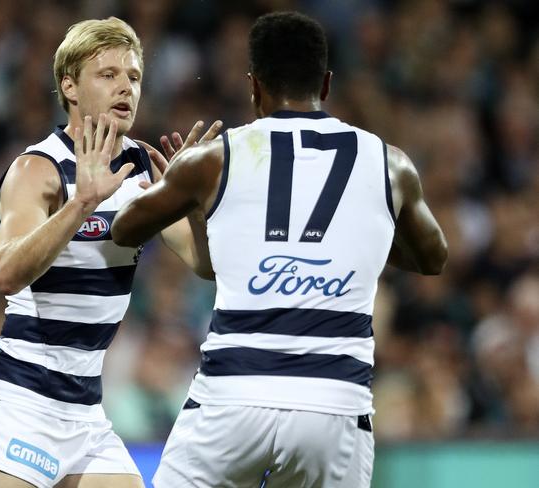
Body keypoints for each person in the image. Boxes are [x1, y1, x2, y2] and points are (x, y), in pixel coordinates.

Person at [111, 11, 448, 488]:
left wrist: (184, 189)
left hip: (232, 398)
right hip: (335, 407)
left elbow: (126, 229)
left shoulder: (214, 159)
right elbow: (433, 258)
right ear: (326, 84)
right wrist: (356, 233)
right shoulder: (388, 163)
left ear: (253, 86)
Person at [0, 17, 218, 488]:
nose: (126, 88)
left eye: (134, 77)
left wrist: (196, 208)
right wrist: (81, 203)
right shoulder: (37, 169)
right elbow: (5, 273)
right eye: (109, 75)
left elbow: (204, 265)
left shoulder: (142, 166)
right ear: (69, 86)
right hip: (18, 401)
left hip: (84, 412)